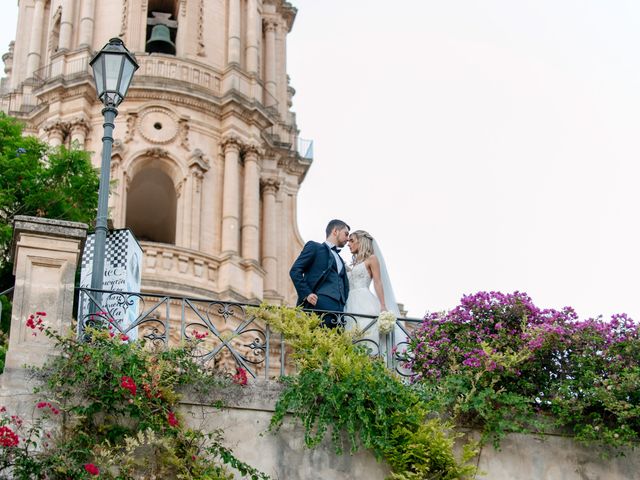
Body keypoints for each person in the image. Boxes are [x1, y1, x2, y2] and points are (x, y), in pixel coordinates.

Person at [344, 230, 406, 359]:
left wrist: (383, 306)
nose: (348, 244)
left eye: (352, 240)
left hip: (364, 301)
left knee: (366, 332)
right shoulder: (354, 264)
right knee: (352, 335)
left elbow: (378, 282)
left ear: (361, 242)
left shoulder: (372, 259)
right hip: (350, 302)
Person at [289, 219, 350, 327]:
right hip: (318, 306)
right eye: (346, 234)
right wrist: (307, 293)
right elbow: (295, 271)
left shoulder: (340, 259)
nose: (348, 238)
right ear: (335, 231)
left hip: (340, 312)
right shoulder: (315, 247)